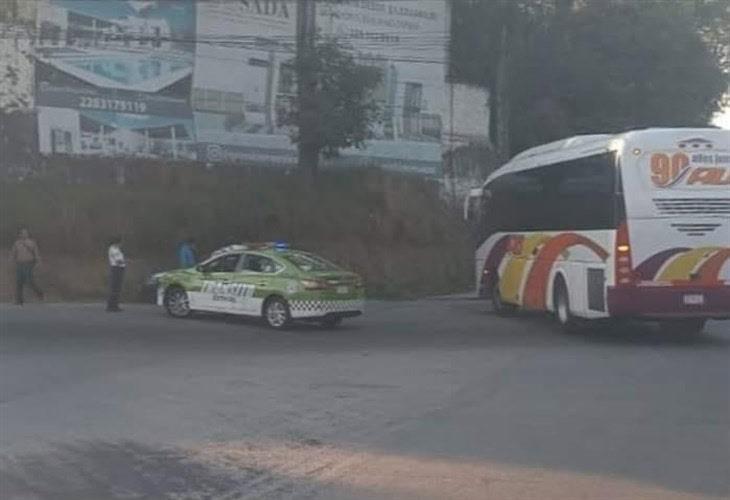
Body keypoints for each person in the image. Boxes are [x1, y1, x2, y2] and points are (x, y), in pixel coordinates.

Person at [11, 227, 44, 305]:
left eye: (25, 233)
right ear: (20, 234)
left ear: (28, 234)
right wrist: (12, 261)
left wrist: (39, 262)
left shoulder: (32, 243)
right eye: (22, 233)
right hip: (19, 264)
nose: (24, 234)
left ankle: (39, 293)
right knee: (19, 281)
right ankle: (19, 300)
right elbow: (13, 253)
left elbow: (36, 253)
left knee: (29, 280)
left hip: (28, 263)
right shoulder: (17, 243)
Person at [107, 236, 126, 312]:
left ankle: (115, 305)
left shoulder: (117, 249)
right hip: (116, 269)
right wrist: (124, 262)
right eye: (120, 243)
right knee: (114, 288)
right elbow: (118, 261)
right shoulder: (113, 249)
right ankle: (111, 306)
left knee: (117, 288)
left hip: (119, 269)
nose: (121, 244)